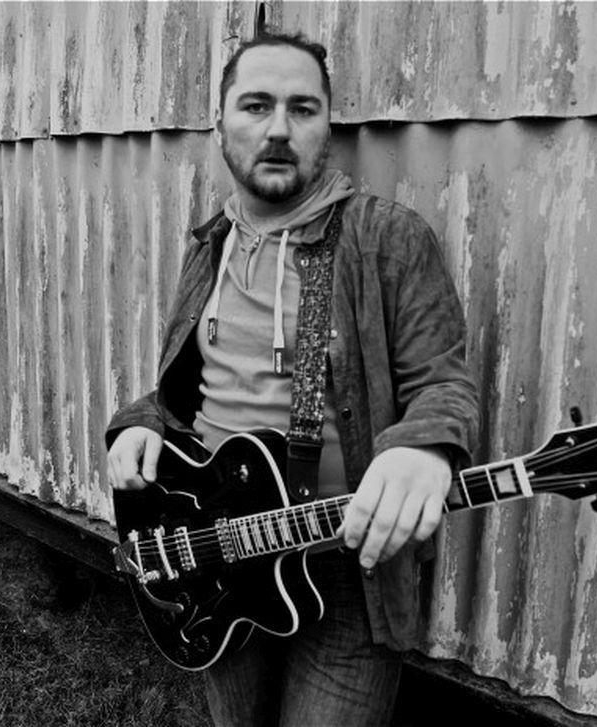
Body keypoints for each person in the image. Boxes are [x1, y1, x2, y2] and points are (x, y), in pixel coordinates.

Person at [106, 31, 479, 726]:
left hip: (347, 560)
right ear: (220, 127)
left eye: (302, 109)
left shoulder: (388, 239)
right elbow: (183, 390)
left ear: (326, 127)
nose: (278, 128)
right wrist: (140, 423)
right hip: (213, 548)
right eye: (256, 105)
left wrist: (425, 445)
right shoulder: (212, 243)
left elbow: (444, 382)